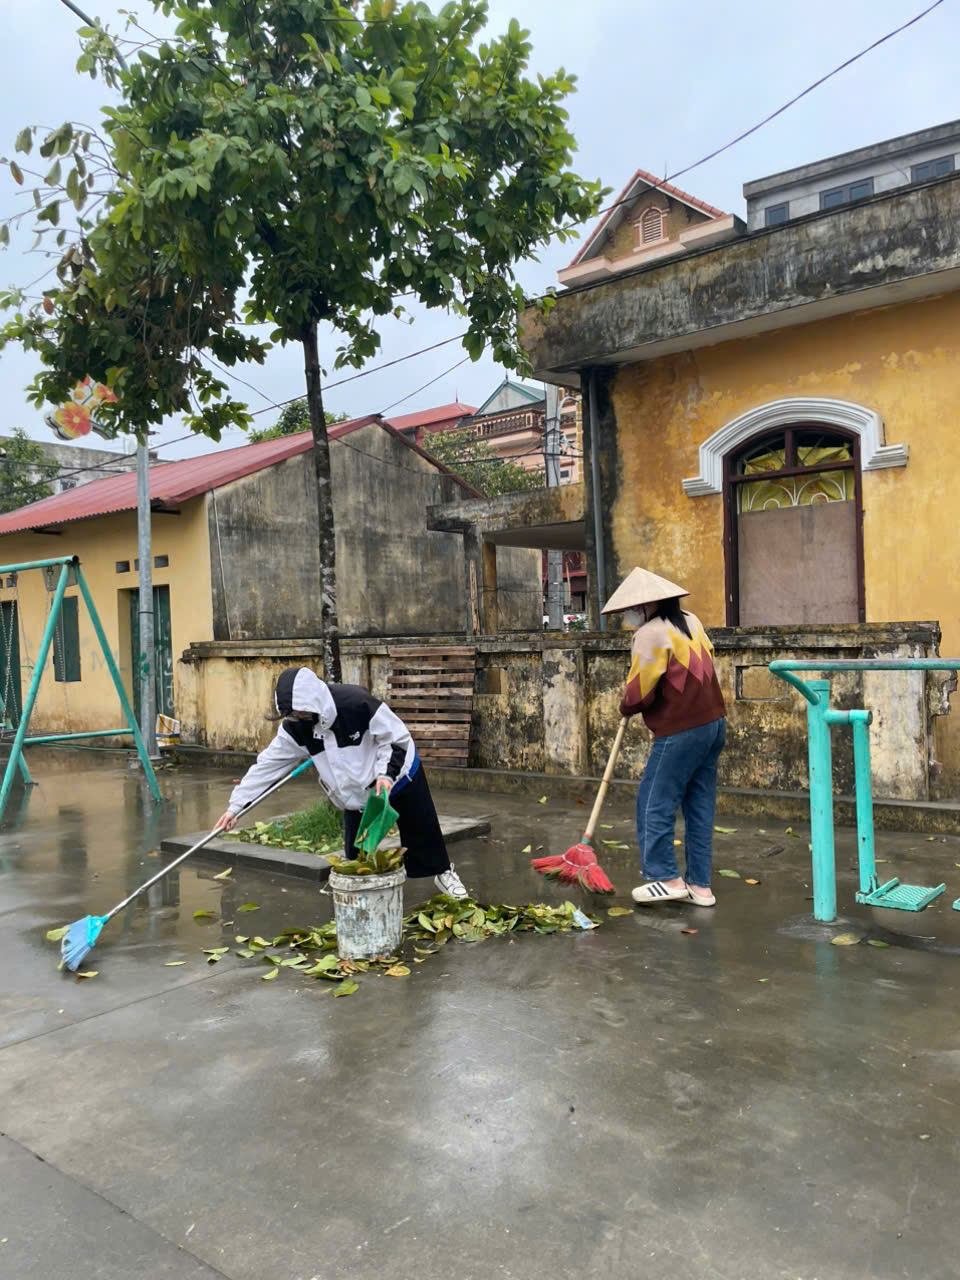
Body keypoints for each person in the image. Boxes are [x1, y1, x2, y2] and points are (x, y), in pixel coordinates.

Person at [215, 666, 470, 899]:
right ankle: (357, 889)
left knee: (421, 829)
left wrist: (385, 775)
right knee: (357, 851)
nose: (296, 717)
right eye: (290, 714)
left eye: (299, 711)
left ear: (313, 700)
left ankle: (443, 873)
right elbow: (267, 765)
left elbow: (395, 738)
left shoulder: (356, 703)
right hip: (355, 791)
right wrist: (235, 807)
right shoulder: (296, 727)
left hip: (398, 774)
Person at [602, 568, 727, 908]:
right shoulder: (691, 621)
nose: (631, 615)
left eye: (634, 608)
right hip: (713, 724)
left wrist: (626, 706)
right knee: (699, 806)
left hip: (682, 730)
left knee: (653, 801)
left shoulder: (651, 633)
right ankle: (700, 887)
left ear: (650, 603)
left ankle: (667, 877)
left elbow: (640, 691)